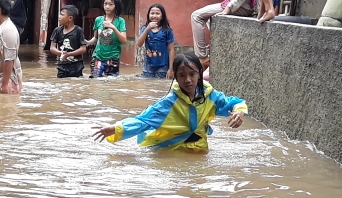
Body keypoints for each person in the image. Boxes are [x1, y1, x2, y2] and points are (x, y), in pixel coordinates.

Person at [92, 52, 247, 153]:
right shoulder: (168, 103)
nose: (187, 80)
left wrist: (239, 112)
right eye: (181, 75)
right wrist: (115, 128)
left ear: (200, 74)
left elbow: (233, 103)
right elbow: (142, 121)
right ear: (176, 78)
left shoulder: (210, 95)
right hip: (171, 149)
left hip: (199, 148)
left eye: (192, 74)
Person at [85, 0, 128, 78]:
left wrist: (113, 28)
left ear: (116, 6)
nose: (107, 7)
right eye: (105, 4)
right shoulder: (98, 20)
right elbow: (95, 37)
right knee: (95, 81)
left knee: (110, 83)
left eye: (111, 4)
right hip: (98, 56)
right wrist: (87, 42)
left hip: (113, 57)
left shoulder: (120, 21)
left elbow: (124, 40)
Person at [136, 3, 175, 78]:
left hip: (163, 66)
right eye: (152, 13)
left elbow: (171, 50)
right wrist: (147, 29)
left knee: (160, 86)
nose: (154, 16)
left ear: (162, 16)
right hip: (148, 66)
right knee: (148, 86)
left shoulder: (167, 31)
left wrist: (171, 69)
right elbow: (139, 44)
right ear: (148, 15)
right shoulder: (144, 28)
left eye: (157, 13)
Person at [50, 5, 86, 78]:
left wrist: (69, 54)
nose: (59, 17)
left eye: (62, 15)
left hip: (77, 65)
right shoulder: (57, 31)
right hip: (62, 65)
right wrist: (61, 53)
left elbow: (83, 49)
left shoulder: (78, 31)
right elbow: (52, 48)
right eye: (60, 14)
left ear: (70, 18)